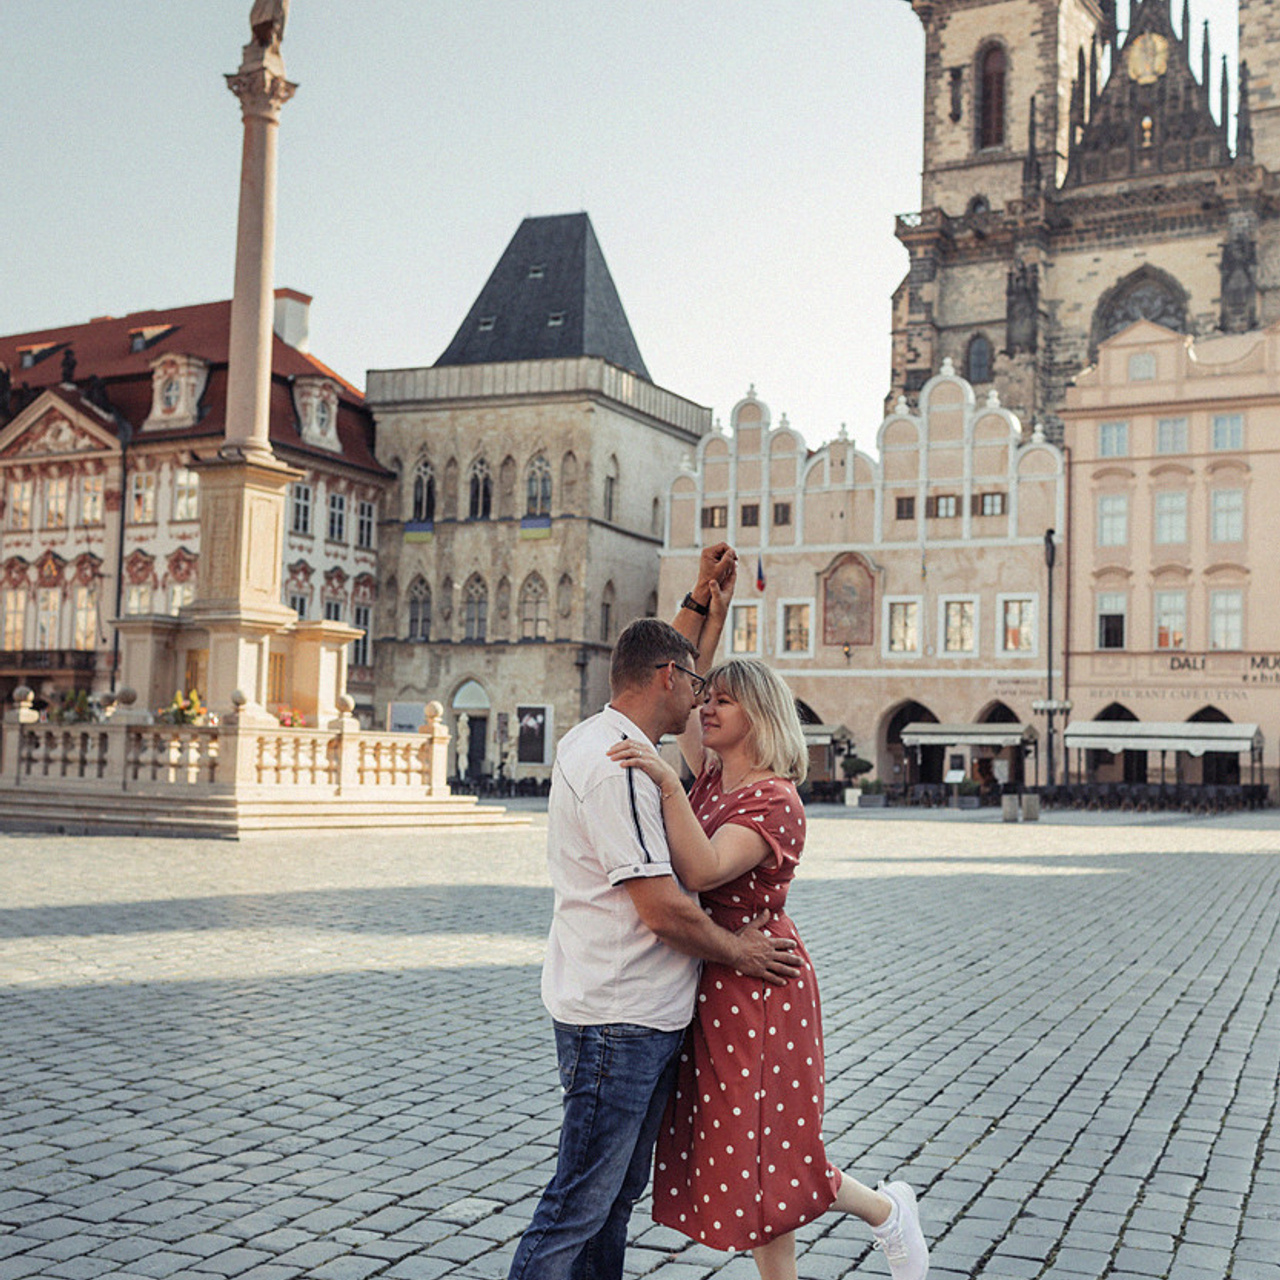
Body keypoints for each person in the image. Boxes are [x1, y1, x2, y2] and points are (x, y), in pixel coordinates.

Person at [607, 576, 929, 1280]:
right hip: (722, 975)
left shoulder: (773, 800)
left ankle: (885, 1212)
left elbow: (702, 868)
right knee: (751, 1162)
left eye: (722, 700)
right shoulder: (714, 779)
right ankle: (884, 1212)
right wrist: (710, 619)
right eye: (708, 696)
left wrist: (663, 782)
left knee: (770, 1155)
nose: (706, 706)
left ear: (756, 713)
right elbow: (679, 691)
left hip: (761, 988)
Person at [507, 544, 803, 1280]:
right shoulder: (625, 765)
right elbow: (666, 908)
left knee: (608, 1203)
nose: (703, 703)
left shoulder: (611, 739)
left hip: (631, 1011)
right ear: (671, 682)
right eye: (698, 688)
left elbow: (668, 662)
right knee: (578, 1205)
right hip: (620, 1017)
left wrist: (710, 606)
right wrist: (740, 953)